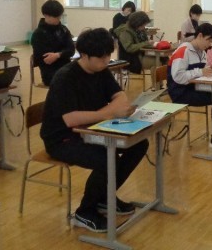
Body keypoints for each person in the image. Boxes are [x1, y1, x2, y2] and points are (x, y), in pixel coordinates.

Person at [41, 28, 146, 233]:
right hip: (62, 139)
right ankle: (85, 211)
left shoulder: (101, 70)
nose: (106, 60)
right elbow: (71, 119)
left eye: (108, 55)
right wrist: (109, 113)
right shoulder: (65, 77)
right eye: (101, 57)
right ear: (84, 55)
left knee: (138, 144)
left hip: (93, 129)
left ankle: (103, 197)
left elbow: (120, 96)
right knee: (106, 157)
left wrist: (111, 111)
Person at [31, 0, 75, 85]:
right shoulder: (38, 34)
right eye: (55, 17)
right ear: (46, 15)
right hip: (50, 72)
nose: (58, 19)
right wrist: (63, 53)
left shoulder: (64, 30)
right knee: (71, 81)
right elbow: (46, 59)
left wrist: (57, 55)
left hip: (66, 67)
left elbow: (71, 50)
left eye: (59, 16)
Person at [114, 11, 162, 89]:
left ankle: (162, 86)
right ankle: (156, 87)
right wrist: (146, 43)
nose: (144, 27)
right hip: (132, 59)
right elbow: (129, 48)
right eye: (143, 25)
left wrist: (153, 44)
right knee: (157, 63)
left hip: (141, 55)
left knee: (165, 59)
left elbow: (144, 43)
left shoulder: (139, 30)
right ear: (137, 23)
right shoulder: (125, 31)